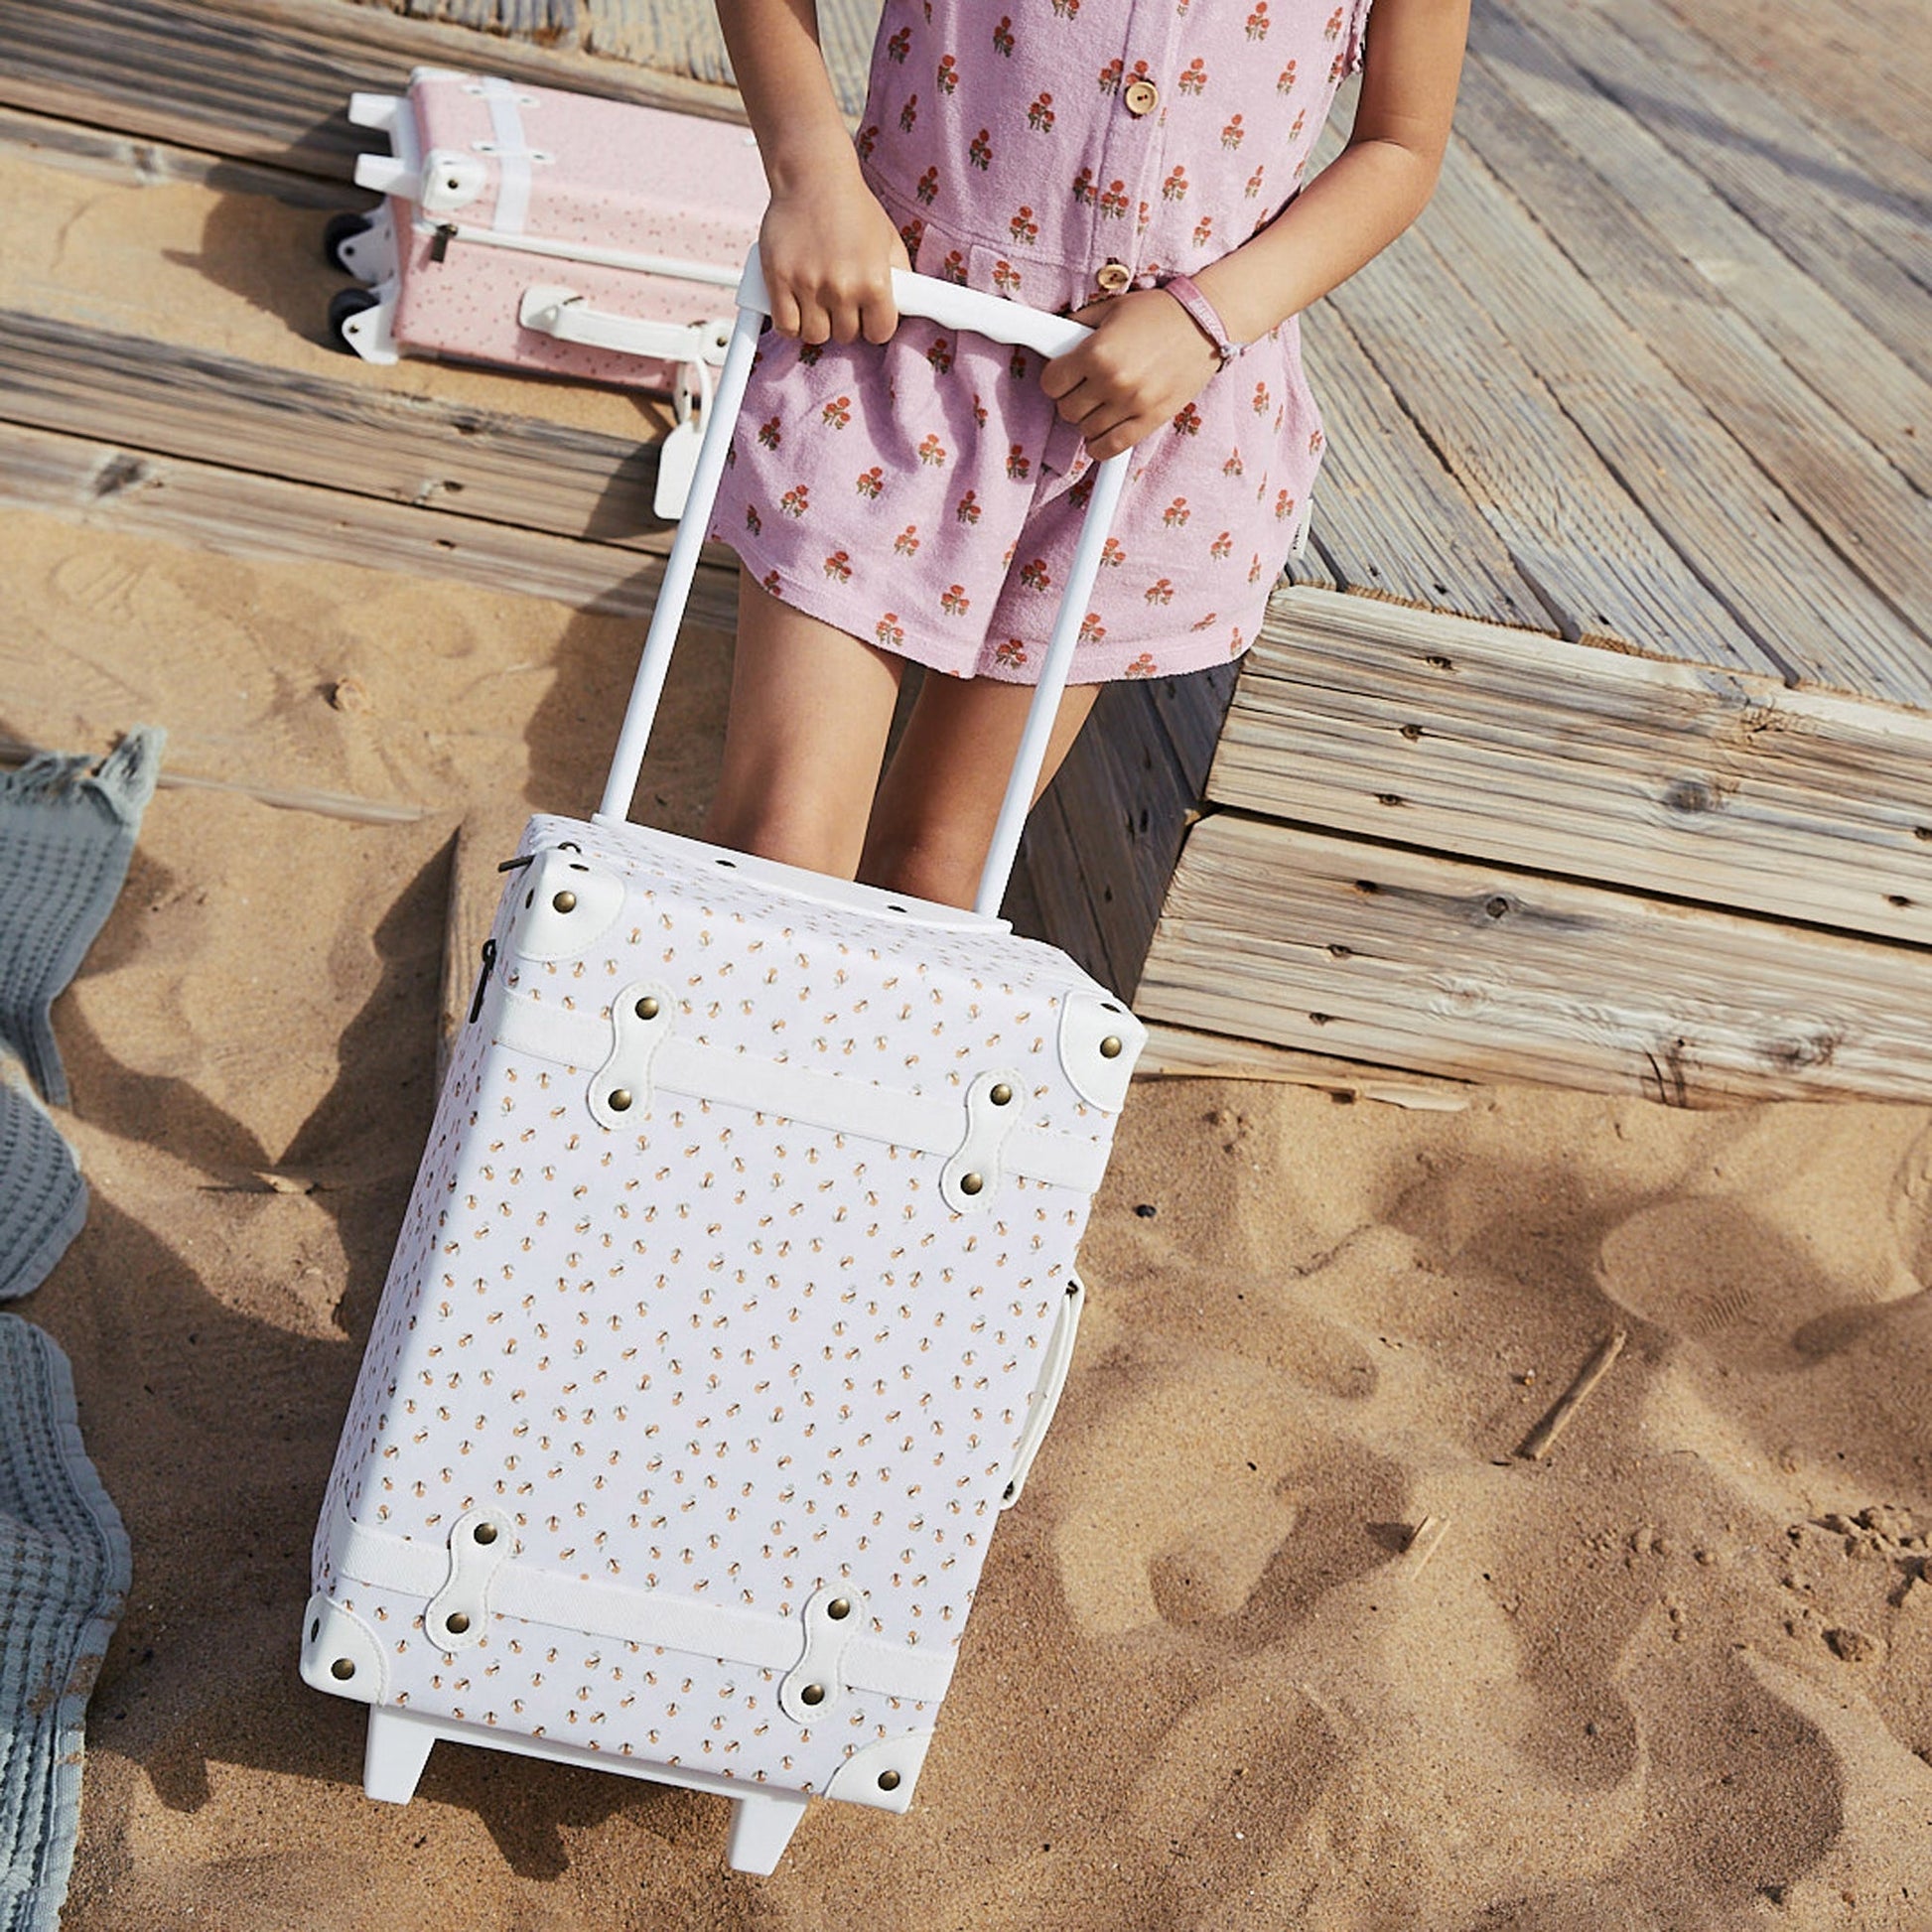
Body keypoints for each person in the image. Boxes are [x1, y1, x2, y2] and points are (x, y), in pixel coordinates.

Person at [705, 0, 1469, 910]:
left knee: (939, 874)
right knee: (779, 845)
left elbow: (1402, 144)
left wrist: (1207, 320)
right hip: (899, 350)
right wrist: (813, 173)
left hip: (1148, 424)